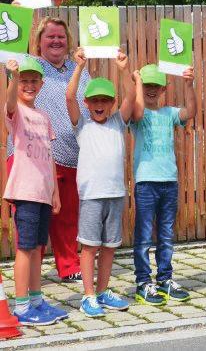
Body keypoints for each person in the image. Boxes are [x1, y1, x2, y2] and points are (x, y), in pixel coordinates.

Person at [6, 18, 89, 283]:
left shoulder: (80, 70)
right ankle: (31, 275)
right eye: (50, 37)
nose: (55, 41)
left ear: (68, 41)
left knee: (66, 217)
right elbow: (7, 59)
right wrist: (16, 12)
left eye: (61, 37)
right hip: (31, 160)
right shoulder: (31, 65)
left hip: (70, 156)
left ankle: (68, 266)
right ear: (38, 41)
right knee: (31, 220)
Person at [66, 49, 135, 317]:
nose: (100, 105)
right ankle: (88, 295)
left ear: (112, 103)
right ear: (87, 102)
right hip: (92, 196)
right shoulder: (82, 125)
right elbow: (69, 96)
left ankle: (104, 291)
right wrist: (79, 67)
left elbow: (131, 96)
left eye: (105, 100)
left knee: (109, 246)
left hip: (116, 194)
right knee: (90, 246)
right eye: (95, 100)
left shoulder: (118, 122)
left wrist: (123, 69)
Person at [5, 56, 67, 325]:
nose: (28, 85)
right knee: (25, 248)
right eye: (23, 81)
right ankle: (21, 306)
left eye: (33, 81)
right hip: (25, 190)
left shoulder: (44, 116)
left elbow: (50, 155)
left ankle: (36, 300)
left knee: (38, 248)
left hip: (43, 192)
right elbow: (7, 104)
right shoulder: (15, 110)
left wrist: (54, 191)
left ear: (42, 84)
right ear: (16, 84)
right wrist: (12, 75)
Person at [131, 64, 197, 305]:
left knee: (167, 235)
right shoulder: (137, 115)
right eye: (147, 85)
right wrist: (137, 82)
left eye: (155, 86)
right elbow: (137, 113)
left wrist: (189, 84)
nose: (151, 90)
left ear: (163, 89)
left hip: (169, 181)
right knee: (144, 235)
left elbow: (190, 111)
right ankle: (142, 282)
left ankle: (164, 279)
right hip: (146, 182)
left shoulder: (168, 113)